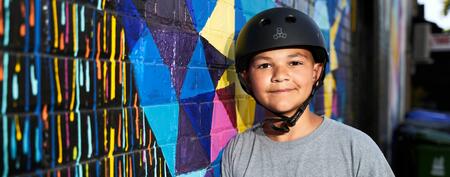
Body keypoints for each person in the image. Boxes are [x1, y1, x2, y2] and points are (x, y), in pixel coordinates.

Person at [221, 7, 395, 177]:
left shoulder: (355, 149)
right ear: (246, 77)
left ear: (316, 72)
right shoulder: (238, 152)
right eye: (264, 65)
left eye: (295, 63)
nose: (280, 76)